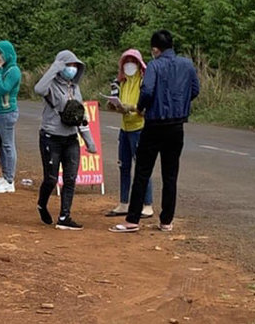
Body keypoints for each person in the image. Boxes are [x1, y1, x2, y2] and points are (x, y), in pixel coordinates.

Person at [110, 30, 199, 233]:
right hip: (177, 126)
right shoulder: (187, 64)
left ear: (155, 49)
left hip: (154, 124)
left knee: (142, 171)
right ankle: (166, 221)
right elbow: (195, 89)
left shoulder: (155, 66)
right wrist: (180, 103)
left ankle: (132, 220)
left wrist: (141, 107)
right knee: (170, 174)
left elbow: (148, 90)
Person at [34, 50, 97, 231]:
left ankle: (64, 216)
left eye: (75, 66)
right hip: (50, 137)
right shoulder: (51, 86)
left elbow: (80, 115)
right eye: (68, 65)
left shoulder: (75, 88)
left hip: (70, 138)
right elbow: (38, 89)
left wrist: (90, 142)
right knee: (51, 178)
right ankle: (41, 203)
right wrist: (55, 67)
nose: (72, 69)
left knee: (70, 178)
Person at [105, 49, 154, 218]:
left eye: (132, 61)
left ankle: (147, 204)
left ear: (139, 63)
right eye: (126, 61)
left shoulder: (144, 82)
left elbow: (147, 108)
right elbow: (120, 103)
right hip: (125, 129)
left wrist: (132, 108)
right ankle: (124, 203)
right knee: (123, 166)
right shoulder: (122, 82)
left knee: (142, 167)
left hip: (140, 128)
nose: (129, 64)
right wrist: (115, 107)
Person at [0, 40, 22, 194]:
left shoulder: (13, 71)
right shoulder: (4, 69)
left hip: (7, 112)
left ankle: (10, 180)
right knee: (1, 144)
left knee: (8, 145)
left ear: (7, 54)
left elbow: (3, 89)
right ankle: (5, 175)